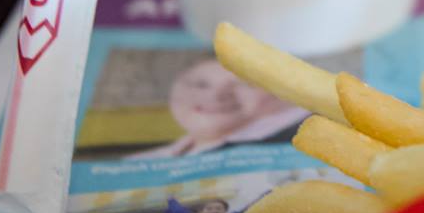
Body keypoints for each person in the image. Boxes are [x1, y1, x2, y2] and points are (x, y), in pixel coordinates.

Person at [127, 58, 304, 159]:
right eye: (201, 84)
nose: (216, 96)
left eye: (243, 84)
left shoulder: (296, 134)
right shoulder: (140, 161)